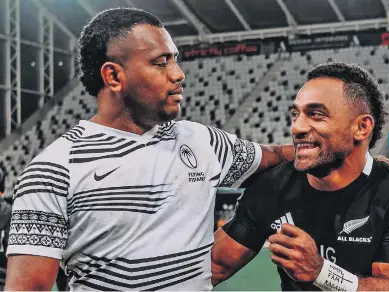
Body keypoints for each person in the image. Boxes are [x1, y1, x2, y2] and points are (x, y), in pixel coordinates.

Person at [5, 8, 294, 291]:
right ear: (114, 76)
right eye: (160, 62)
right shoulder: (53, 169)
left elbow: (278, 156)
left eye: (175, 60)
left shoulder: (203, 141)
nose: (178, 74)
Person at [212, 62, 389, 291]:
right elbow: (215, 266)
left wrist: (322, 272)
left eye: (316, 114)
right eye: (295, 114)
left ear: (362, 127)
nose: (297, 127)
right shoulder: (273, 186)